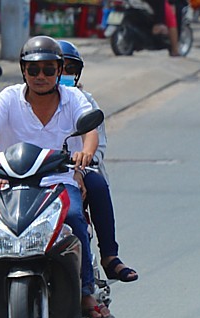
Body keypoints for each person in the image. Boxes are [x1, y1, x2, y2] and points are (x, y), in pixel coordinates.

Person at [0, 36, 115, 318]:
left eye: (48, 69)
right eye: (34, 70)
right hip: (9, 182)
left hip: (59, 181)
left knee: (74, 220)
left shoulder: (73, 99)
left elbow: (90, 132)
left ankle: (85, 293)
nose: (41, 76)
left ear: (59, 71)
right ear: (23, 71)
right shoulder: (8, 97)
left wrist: (86, 153)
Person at [58, 39, 138, 283]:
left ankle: (109, 256)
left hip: (76, 169)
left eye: (69, 69)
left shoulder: (83, 101)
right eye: (53, 68)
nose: (61, 75)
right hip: (35, 171)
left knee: (98, 186)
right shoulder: (19, 100)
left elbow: (96, 143)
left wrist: (81, 165)